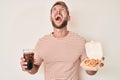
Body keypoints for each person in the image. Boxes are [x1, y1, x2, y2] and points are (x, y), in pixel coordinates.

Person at [20, 1, 104, 80]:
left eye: (62, 9)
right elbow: (34, 69)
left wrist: (95, 65)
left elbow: (90, 71)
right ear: (50, 18)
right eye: (55, 10)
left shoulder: (80, 41)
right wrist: (28, 68)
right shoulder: (41, 42)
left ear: (68, 18)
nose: (58, 12)